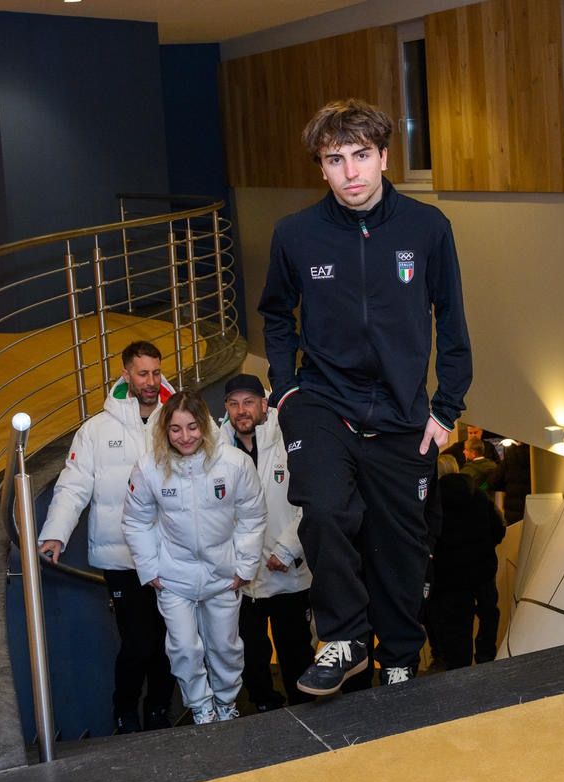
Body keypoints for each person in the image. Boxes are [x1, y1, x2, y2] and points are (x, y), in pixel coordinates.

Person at [258, 98, 472, 692]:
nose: (350, 172)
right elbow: (276, 314)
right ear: (321, 168)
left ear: (383, 157)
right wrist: (286, 388)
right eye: (335, 160)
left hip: (404, 413)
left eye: (361, 155)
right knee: (325, 511)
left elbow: (452, 321)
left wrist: (446, 408)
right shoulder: (295, 234)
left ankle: (398, 656)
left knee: (401, 548)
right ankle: (346, 637)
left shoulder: (427, 228)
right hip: (323, 401)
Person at [37, 340, 177, 734]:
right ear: (125, 374)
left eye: (156, 372)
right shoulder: (97, 430)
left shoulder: (181, 418)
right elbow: (74, 486)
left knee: (170, 640)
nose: (151, 381)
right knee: (138, 642)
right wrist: (55, 533)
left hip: (171, 554)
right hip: (122, 557)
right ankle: (124, 712)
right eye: (142, 373)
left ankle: (158, 710)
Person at [122, 391, 266, 724]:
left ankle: (226, 703)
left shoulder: (234, 463)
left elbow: (253, 516)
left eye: (192, 427)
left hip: (223, 575)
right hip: (174, 577)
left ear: (204, 425)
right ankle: (201, 708)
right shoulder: (149, 467)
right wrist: (150, 569)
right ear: (165, 430)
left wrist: (245, 567)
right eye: (175, 429)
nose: (185, 437)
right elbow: (135, 521)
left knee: (225, 647)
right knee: (184, 648)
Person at [217, 373, 315, 711]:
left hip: (288, 572)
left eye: (248, 402)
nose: (241, 410)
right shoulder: (216, 449)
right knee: (251, 657)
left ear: (263, 404)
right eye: (233, 403)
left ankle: (306, 713)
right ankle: (264, 711)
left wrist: (288, 549)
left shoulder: (291, 438)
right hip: (242, 578)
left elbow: (312, 501)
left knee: (296, 653)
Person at [428, 461, 506, 667]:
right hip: (483, 568)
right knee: (489, 612)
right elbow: (498, 529)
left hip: (450, 576)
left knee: (457, 626)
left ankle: (460, 668)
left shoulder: (432, 501)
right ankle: (486, 657)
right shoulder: (478, 495)